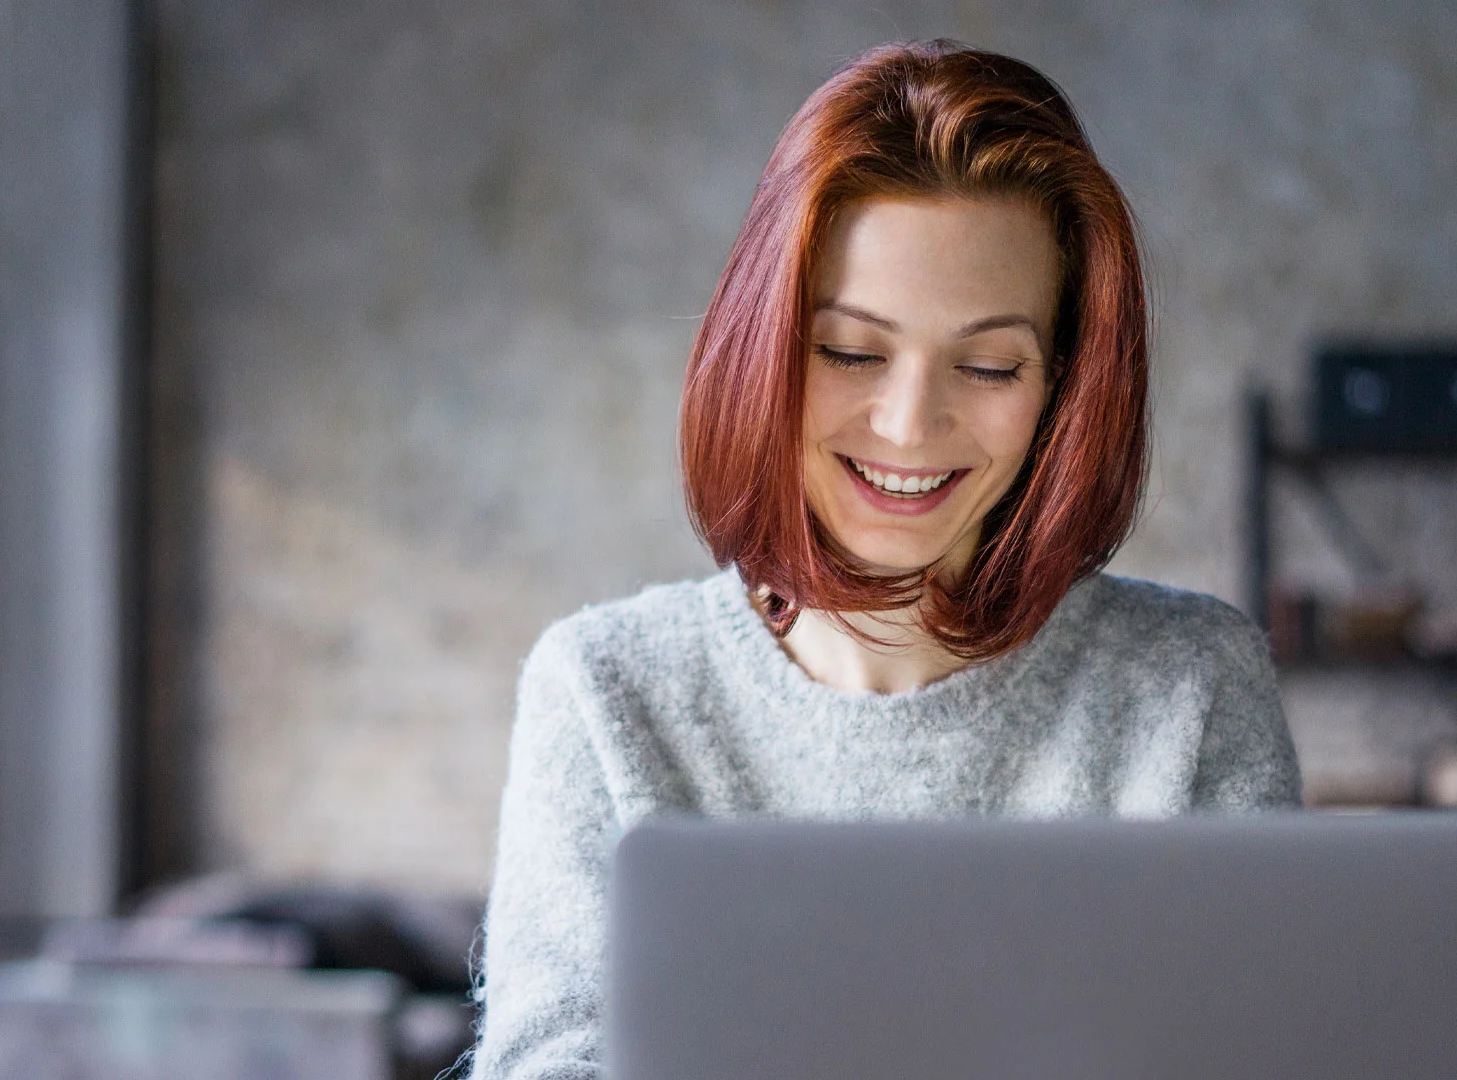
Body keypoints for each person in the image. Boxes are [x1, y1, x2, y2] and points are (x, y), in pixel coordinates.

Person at [464, 39, 1302, 1080]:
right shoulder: (605, 692)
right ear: (764, 349)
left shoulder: (1191, 688)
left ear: (1063, 389)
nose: (909, 424)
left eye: (988, 365)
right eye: (851, 351)